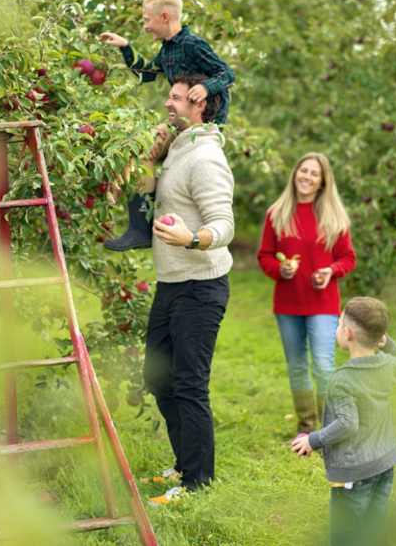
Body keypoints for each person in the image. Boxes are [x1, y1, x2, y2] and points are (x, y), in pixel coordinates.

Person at [140, 74, 234, 505]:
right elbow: (148, 193)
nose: (168, 103)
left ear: (200, 105)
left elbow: (224, 225)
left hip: (201, 285)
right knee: (157, 377)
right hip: (172, 282)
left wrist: (192, 239)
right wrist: (148, 157)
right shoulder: (179, 150)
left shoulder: (206, 157)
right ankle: (184, 464)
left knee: (189, 384)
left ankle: (197, 483)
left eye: (176, 98)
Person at [98, 0, 236, 252]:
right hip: (182, 120)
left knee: (147, 147)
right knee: (142, 147)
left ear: (164, 16)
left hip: (206, 123)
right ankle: (140, 228)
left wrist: (206, 87)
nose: (145, 26)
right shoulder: (168, 49)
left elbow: (227, 74)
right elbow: (147, 72)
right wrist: (125, 46)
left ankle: (142, 228)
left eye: (147, 20)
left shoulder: (192, 44)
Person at [291, 297, 396, 546]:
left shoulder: (342, 380)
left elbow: (347, 424)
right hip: (384, 464)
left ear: (347, 334)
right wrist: (388, 344)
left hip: (355, 473)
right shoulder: (387, 364)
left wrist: (313, 440)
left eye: (338, 324)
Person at [257, 153, 356, 438]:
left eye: (314, 173)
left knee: (324, 364)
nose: (307, 177)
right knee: (297, 365)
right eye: (303, 171)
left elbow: (348, 258)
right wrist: (280, 269)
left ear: (323, 181)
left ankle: (330, 427)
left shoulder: (333, 216)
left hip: (323, 304)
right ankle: (306, 425)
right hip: (288, 304)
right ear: (295, 174)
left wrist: (330, 270)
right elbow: (264, 255)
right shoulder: (277, 213)